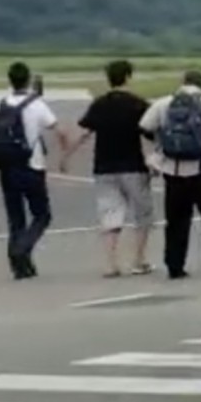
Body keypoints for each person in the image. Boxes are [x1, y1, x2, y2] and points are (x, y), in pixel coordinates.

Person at [139, 70, 201, 280]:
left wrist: (163, 142)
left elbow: (144, 127)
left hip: (173, 171)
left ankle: (175, 265)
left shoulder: (164, 103)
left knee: (176, 221)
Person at [66, 59, 154, 278]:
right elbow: (153, 133)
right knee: (142, 214)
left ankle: (111, 263)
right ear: (128, 77)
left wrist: (66, 155)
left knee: (110, 215)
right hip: (133, 165)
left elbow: (83, 132)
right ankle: (138, 260)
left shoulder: (99, 104)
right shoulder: (138, 104)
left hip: (104, 167)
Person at [0, 61, 69, 280]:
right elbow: (58, 129)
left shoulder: (2, 103)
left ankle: (20, 265)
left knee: (16, 217)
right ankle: (22, 248)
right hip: (32, 166)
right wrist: (63, 157)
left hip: (7, 166)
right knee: (42, 215)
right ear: (28, 79)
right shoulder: (37, 104)